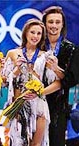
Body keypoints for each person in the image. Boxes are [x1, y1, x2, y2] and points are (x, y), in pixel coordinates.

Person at [2, 18, 61, 146]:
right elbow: (4, 81)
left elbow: (59, 82)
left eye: (39, 33)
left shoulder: (46, 56)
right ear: (25, 33)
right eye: (32, 32)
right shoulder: (13, 53)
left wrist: (41, 91)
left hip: (39, 105)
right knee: (18, 142)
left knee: (36, 144)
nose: (35, 36)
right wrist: (17, 70)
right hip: (18, 104)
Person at [42, 6, 79, 146]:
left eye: (57, 22)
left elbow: (72, 79)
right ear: (44, 24)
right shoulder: (37, 46)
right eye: (50, 22)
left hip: (58, 106)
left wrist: (56, 69)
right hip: (35, 102)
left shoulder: (71, 49)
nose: (54, 26)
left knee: (55, 141)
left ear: (62, 24)